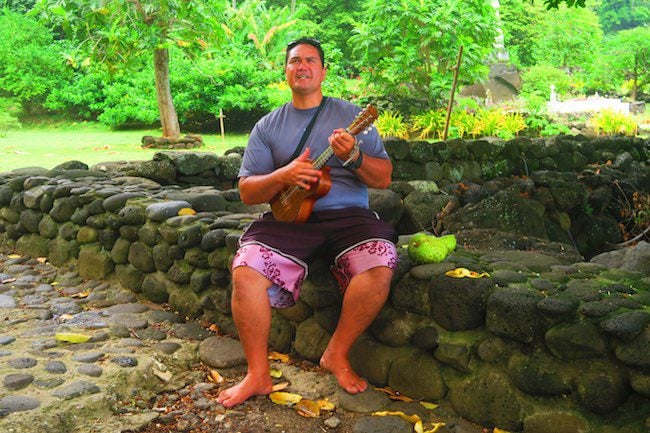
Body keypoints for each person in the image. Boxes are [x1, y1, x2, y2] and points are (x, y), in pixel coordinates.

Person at [216, 37, 398, 408]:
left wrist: (357, 156)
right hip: (289, 219)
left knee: (379, 262)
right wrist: (284, 175)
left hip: (349, 217)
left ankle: (336, 353)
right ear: (285, 70)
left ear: (323, 71)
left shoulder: (352, 119)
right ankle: (257, 374)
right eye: (294, 60)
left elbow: (383, 179)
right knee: (246, 270)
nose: (302, 66)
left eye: (310, 60)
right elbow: (248, 192)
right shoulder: (267, 126)